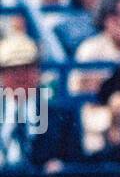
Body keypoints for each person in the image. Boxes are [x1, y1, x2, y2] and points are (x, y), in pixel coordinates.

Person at [0, 32, 81, 168]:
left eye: (27, 68)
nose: (21, 76)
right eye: (13, 70)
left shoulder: (61, 117)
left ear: (38, 72)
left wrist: (60, 167)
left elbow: (76, 161)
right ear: (1, 75)